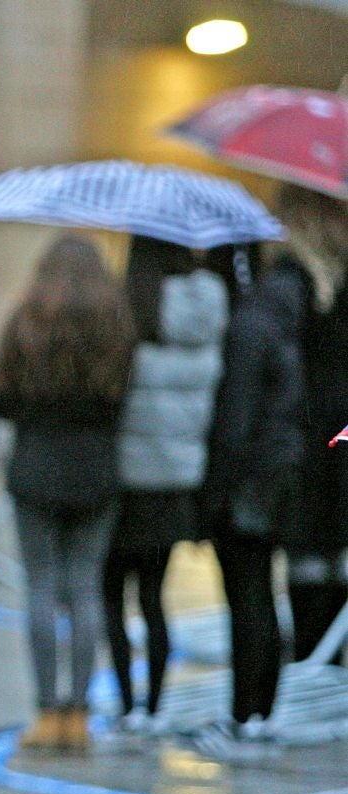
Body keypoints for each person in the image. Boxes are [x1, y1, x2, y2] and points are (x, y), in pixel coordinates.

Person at [0, 234, 135, 753]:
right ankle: (80, 717)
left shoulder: (26, 320)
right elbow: (121, 402)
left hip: (36, 471)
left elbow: (0, 401)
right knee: (86, 590)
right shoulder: (117, 324)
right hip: (97, 474)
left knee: (42, 590)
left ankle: (47, 711)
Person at [102, 236, 228, 736]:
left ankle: (124, 703)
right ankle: (154, 708)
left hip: (124, 477)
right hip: (177, 479)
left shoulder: (130, 302)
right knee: (155, 599)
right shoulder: (209, 306)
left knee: (113, 597)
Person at [195, 242, 305, 761]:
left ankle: (246, 712)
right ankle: (263, 709)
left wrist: (213, 493)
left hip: (248, 480)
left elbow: (234, 422)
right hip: (280, 470)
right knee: (263, 592)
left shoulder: (247, 327)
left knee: (246, 598)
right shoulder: (284, 318)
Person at [275, 186, 348, 664]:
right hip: (333, 434)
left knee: (310, 557)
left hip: (308, 434)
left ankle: (312, 659)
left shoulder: (291, 280)